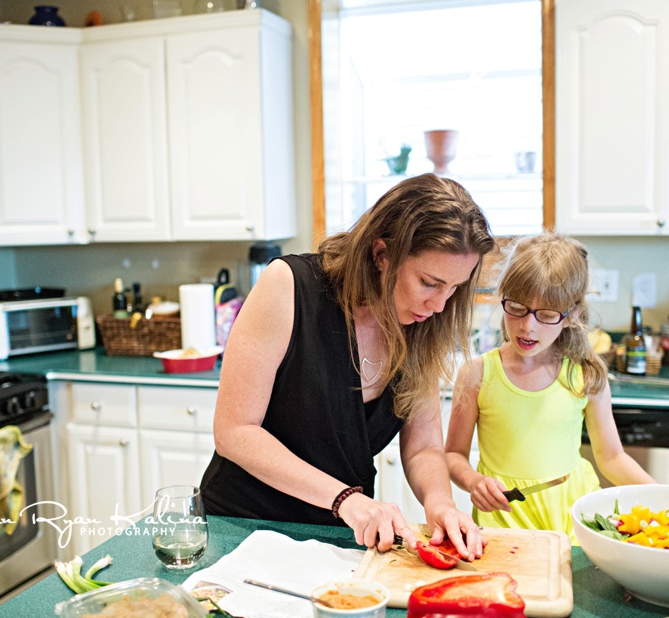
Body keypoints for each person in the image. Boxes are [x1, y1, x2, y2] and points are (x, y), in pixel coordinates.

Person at [201, 173, 496, 559]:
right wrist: (345, 499)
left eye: (454, 288)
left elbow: (423, 446)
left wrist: (440, 504)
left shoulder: (423, 323)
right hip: (244, 527)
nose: (440, 305)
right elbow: (235, 431)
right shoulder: (289, 286)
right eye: (429, 282)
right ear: (381, 254)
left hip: (342, 535)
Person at [445, 232, 655, 542]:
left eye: (546, 315)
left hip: (575, 522)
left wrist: (661, 495)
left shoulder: (585, 375)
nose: (528, 326)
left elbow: (611, 458)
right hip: (505, 523)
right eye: (516, 308)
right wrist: (474, 481)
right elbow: (453, 454)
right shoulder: (477, 375)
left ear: (572, 317)